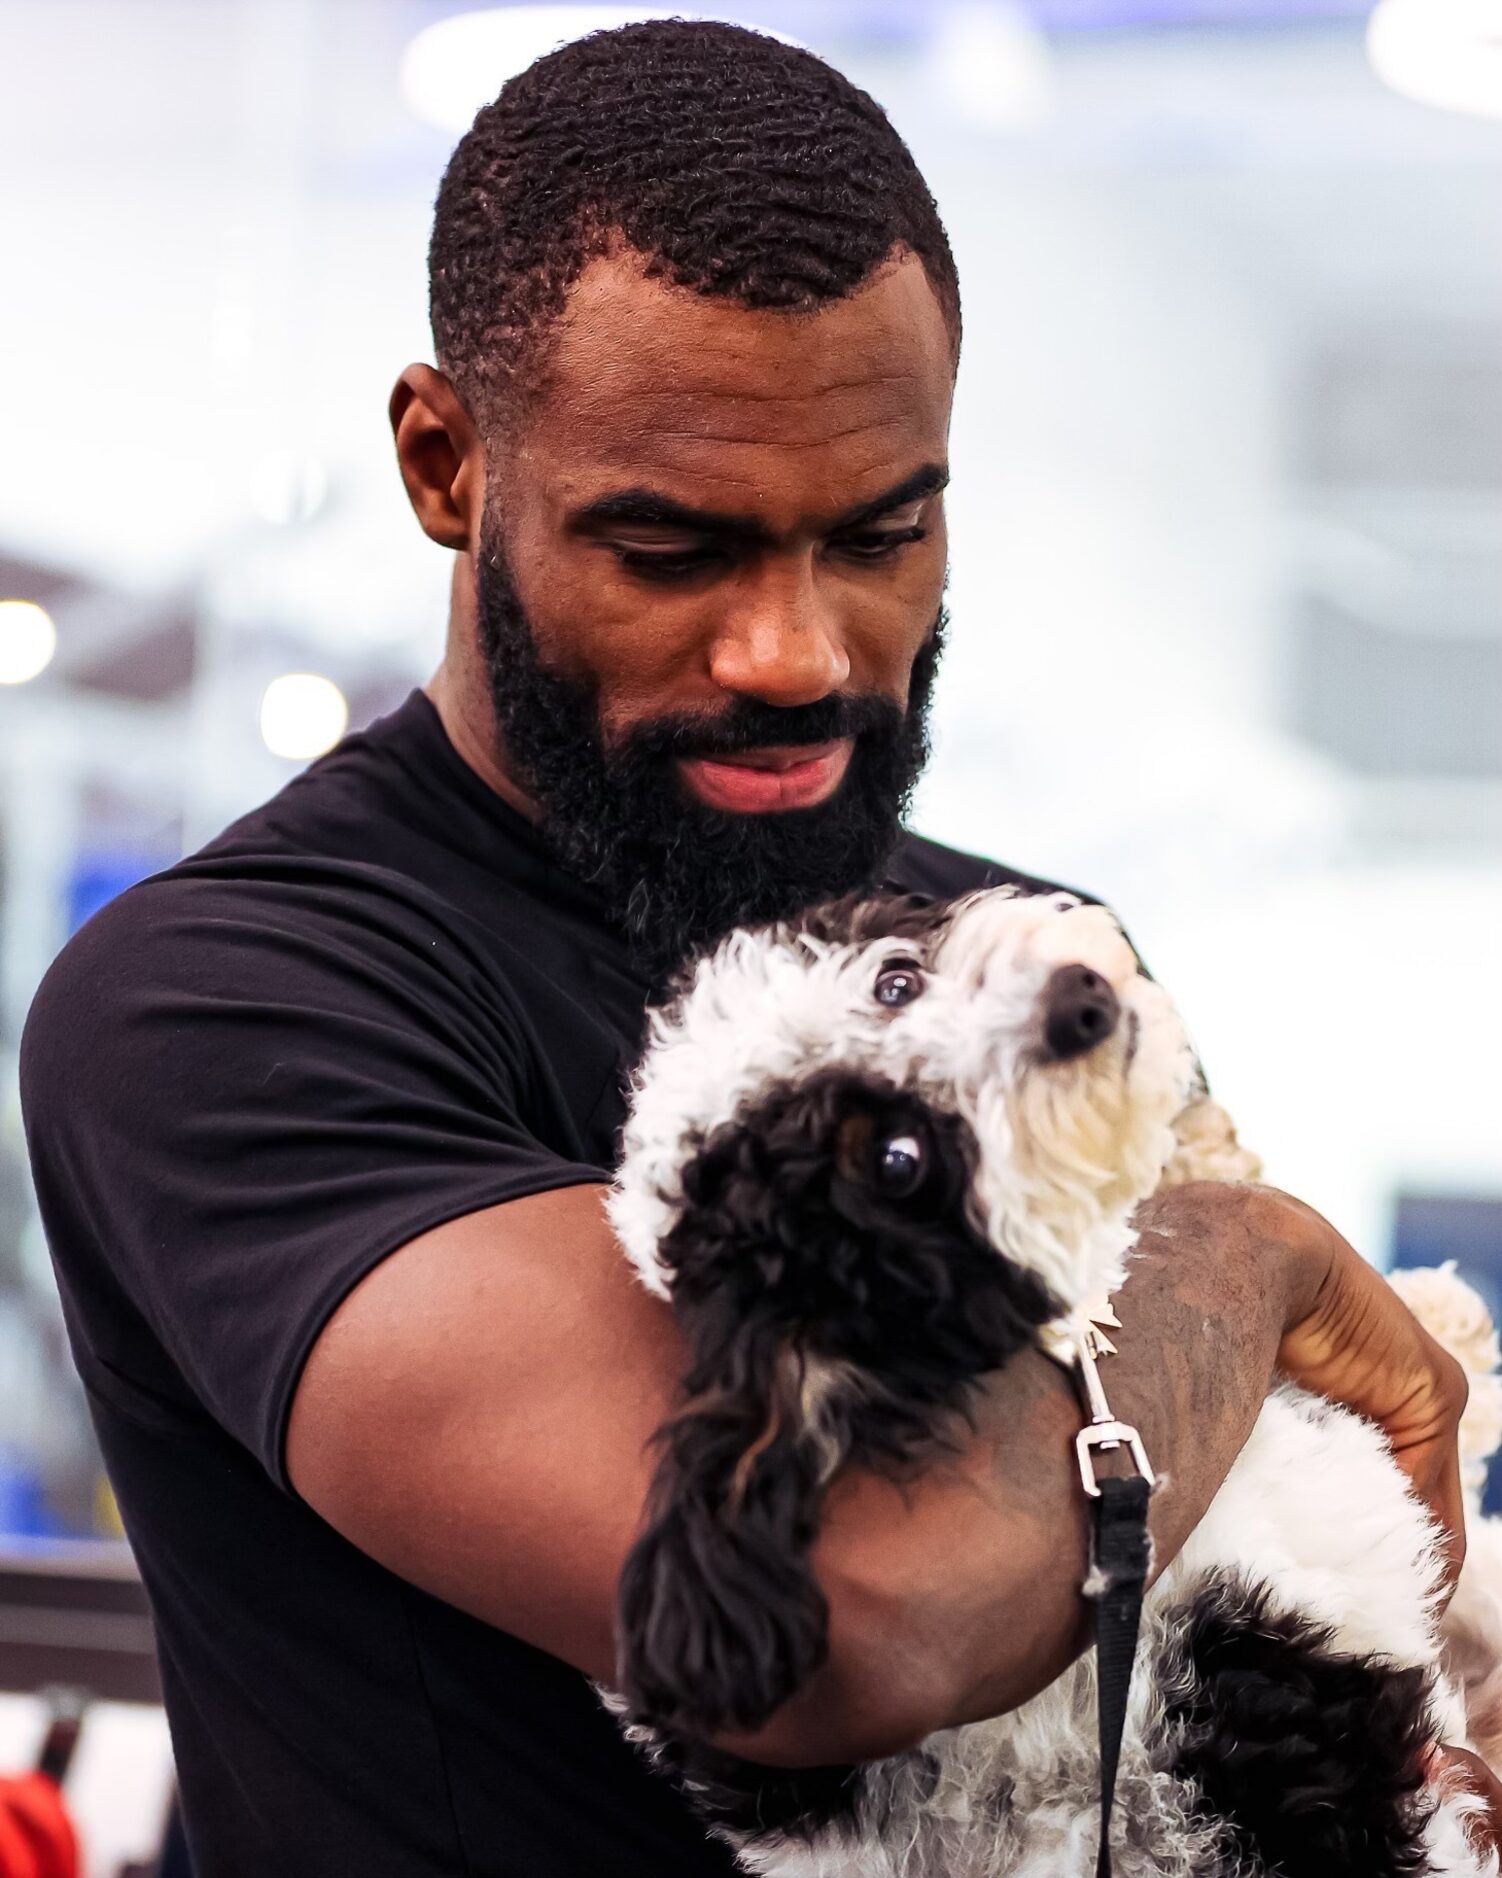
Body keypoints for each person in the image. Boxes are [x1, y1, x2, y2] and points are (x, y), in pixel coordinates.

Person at [17, 20, 1496, 1876]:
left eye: (880, 534)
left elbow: (1243, 1543)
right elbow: (836, 1618)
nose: (795, 649)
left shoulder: (1023, 951)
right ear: (445, 462)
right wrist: (1251, 1253)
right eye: (672, 550)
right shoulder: (225, 998)